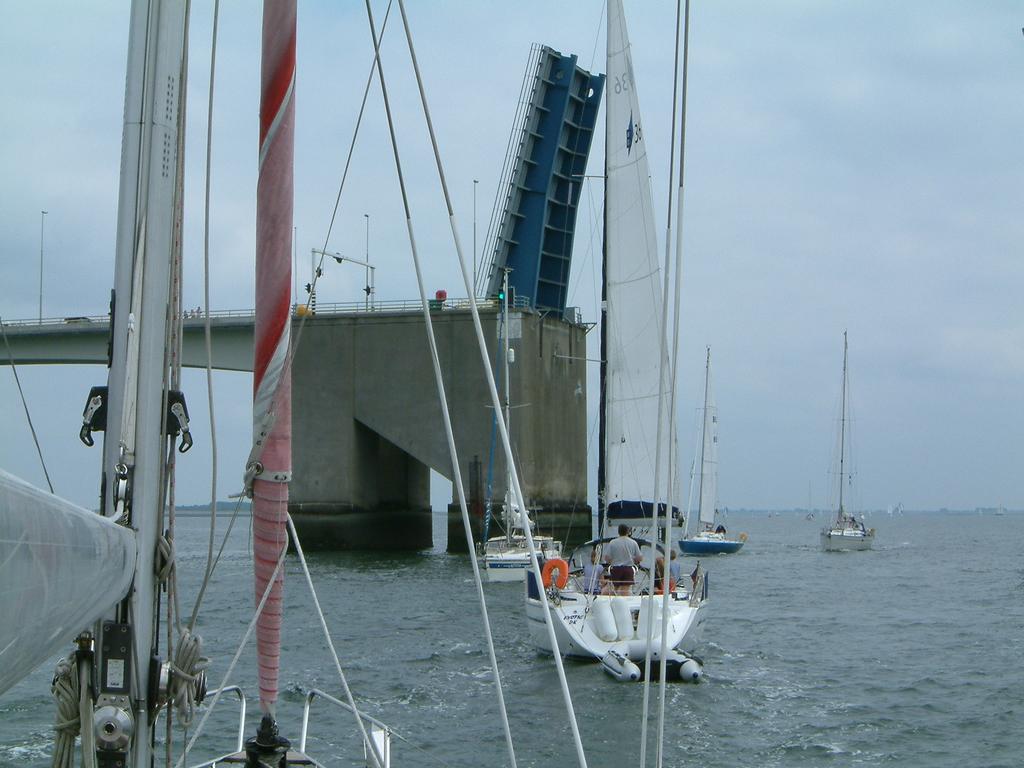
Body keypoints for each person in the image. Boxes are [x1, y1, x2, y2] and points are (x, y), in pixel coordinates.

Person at [603, 524, 642, 596]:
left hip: (616, 569)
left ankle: (610, 599)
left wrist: (612, 562)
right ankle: (625, 601)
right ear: (628, 531)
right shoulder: (633, 542)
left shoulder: (613, 542)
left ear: (618, 532)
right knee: (625, 590)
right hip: (628, 569)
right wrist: (634, 561)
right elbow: (639, 558)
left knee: (614, 588)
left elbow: (607, 558)